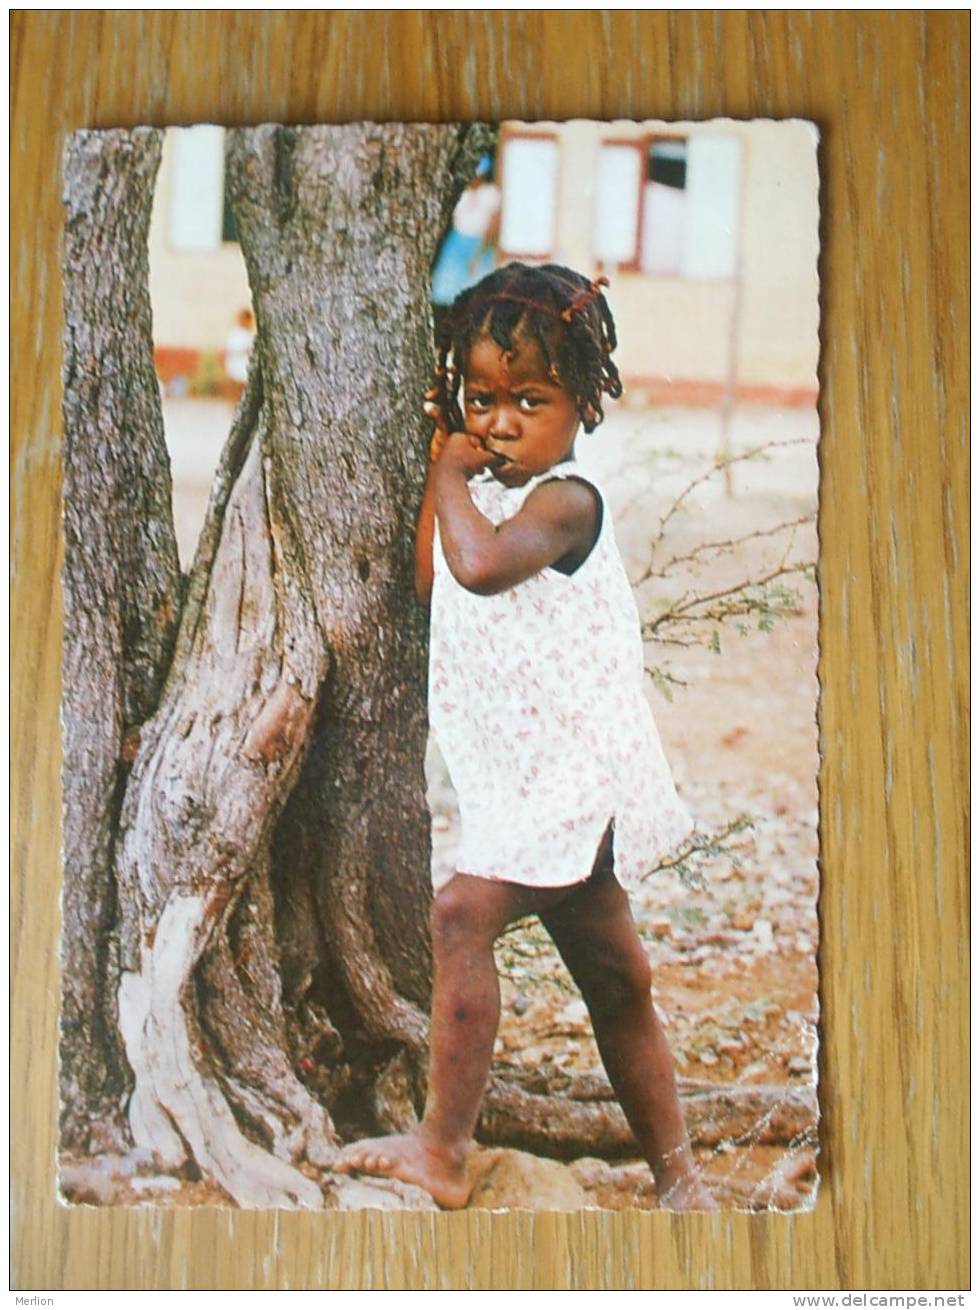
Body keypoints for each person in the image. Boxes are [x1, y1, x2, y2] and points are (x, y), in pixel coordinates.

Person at [334, 262, 715, 1211]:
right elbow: (431, 576)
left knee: (463, 915)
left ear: (583, 402)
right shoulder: (492, 491)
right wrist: (444, 455)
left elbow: (477, 568)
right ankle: (682, 1181)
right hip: (527, 777)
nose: (499, 421)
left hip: (567, 773)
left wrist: (448, 469)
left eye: (528, 400)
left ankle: (444, 1150)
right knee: (617, 978)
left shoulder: (566, 502)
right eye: (480, 399)